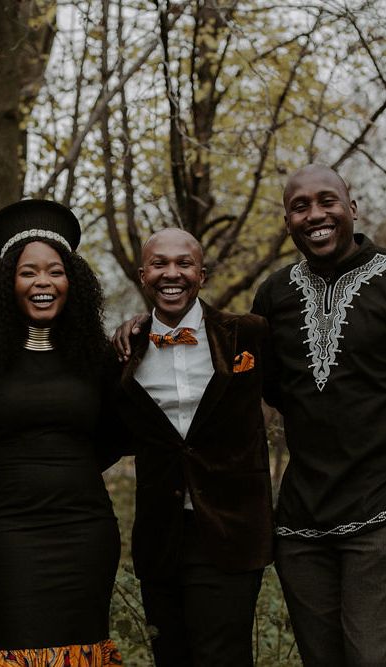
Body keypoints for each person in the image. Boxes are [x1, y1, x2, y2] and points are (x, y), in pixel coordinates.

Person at [0, 199, 123, 667]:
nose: (43, 282)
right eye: (28, 273)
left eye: (55, 272)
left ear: (73, 282)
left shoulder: (98, 355)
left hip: (86, 530)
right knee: (15, 646)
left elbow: (121, 433)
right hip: (12, 532)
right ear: (10, 284)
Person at [111, 228, 273, 666]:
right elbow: (105, 434)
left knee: (223, 656)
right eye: (160, 264)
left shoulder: (248, 336)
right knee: (172, 657)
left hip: (232, 530)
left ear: (201, 273)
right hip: (161, 535)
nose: (172, 273)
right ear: (143, 274)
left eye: (183, 263)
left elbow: (299, 398)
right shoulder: (124, 352)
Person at [251, 164, 386, 666]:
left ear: (351, 208)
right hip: (301, 522)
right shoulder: (274, 294)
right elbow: (263, 390)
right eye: (299, 206)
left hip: (378, 514)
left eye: (326, 201)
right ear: (287, 220)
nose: (315, 215)